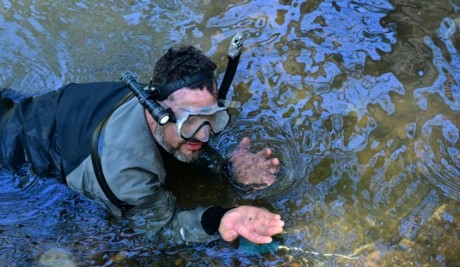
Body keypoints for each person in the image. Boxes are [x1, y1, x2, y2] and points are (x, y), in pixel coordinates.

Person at [0, 45, 284, 244]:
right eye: (189, 123)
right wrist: (220, 219)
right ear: (154, 110)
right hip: (15, 152)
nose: (204, 136)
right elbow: (160, 229)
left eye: (212, 118)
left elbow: (184, 142)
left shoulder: (151, 99)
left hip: (26, 110)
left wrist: (226, 171)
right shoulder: (127, 171)